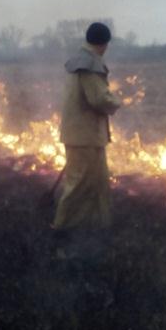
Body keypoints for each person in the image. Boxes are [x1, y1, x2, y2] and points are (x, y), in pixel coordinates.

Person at [52, 22, 121, 239]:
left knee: (99, 182)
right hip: (84, 136)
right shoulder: (90, 65)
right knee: (78, 184)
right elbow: (98, 99)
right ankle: (61, 229)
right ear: (104, 44)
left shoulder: (80, 61)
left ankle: (101, 226)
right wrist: (116, 102)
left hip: (86, 136)